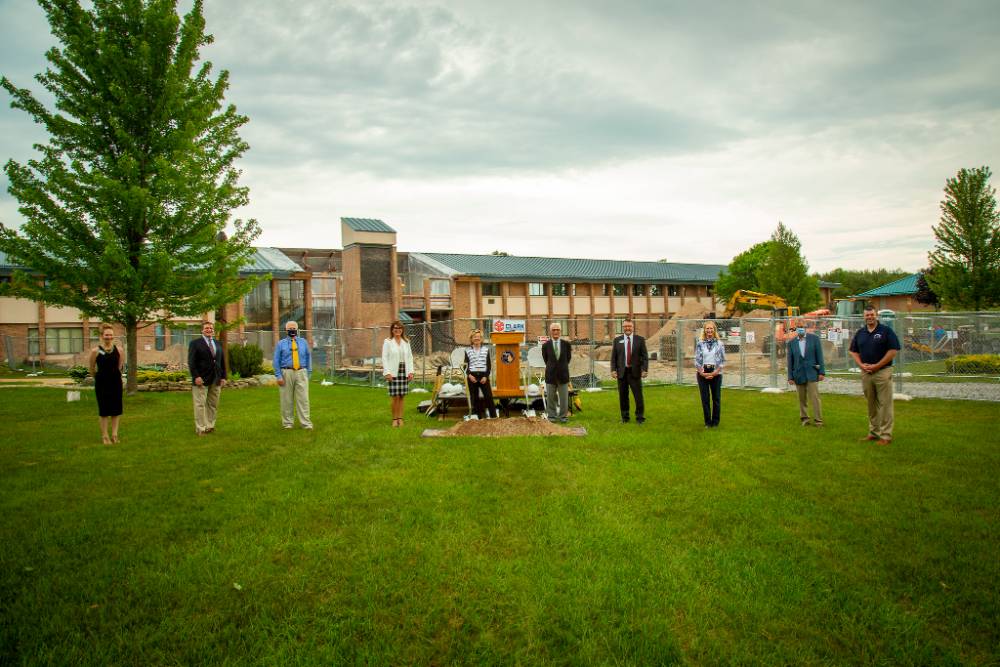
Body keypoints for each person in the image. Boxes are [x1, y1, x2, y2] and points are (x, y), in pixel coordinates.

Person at [849, 306, 901, 445]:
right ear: (864, 317)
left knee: (885, 404)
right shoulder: (860, 333)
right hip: (866, 373)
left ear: (876, 315)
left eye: (872, 314)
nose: (869, 317)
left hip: (882, 372)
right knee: (871, 404)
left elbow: (893, 350)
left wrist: (877, 365)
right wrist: (861, 365)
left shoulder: (886, 331)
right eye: (867, 315)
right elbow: (853, 351)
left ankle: (886, 435)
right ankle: (874, 432)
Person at [188, 320, 226, 436]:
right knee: (200, 405)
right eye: (206, 328)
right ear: (202, 330)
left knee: (213, 404)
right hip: (201, 379)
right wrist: (196, 376)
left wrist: (223, 376)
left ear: (213, 330)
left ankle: (210, 425)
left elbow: (222, 361)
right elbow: (191, 362)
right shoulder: (195, 343)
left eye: (210, 328)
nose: (209, 330)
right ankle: (201, 428)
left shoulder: (218, 343)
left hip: (216, 379)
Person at [274, 320, 313, 430]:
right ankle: (288, 424)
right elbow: (276, 361)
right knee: (286, 400)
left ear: (297, 330)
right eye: (290, 328)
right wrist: (278, 376)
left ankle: (306, 424)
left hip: (301, 372)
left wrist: (308, 373)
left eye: (294, 328)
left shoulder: (303, 342)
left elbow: (308, 357)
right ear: (286, 330)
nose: (292, 330)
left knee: (303, 399)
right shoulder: (280, 344)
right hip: (286, 373)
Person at [88, 323, 123, 444]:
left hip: (116, 383)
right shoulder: (96, 351)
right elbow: (92, 369)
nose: (109, 337)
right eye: (107, 335)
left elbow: (120, 366)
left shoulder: (119, 350)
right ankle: (105, 436)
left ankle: (114, 434)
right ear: (102, 336)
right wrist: (98, 378)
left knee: (116, 410)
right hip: (102, 384)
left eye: (111, 335)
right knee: (104, 410)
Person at [787, 322, 826, 426]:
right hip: (798, 374)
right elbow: (790, 361)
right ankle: (805, 419)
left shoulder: (814, 339)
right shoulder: (791, 343)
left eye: (802, 327)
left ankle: (818, 421)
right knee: (801, 399)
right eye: (798, 327)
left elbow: (820, 356)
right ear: (796, 329)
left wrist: (821, 371)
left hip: (812, 373)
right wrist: (790, 376)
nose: (800, 329)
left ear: (806, 328)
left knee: (815, 398)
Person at [610, 318, 648, 424]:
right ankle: (625, 418)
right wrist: (613, 370)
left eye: (629, 326)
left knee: (638, 396)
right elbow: (614, 357)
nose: (627, 328)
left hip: (635, 372)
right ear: (623, 328)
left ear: (633, 327)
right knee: (623, 396)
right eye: (625, 326)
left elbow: (645, 356)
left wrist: (644, 369)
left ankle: (640, 418)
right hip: (622, 373)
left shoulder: (640, 340)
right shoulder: (617, 340)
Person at [381, 320, 414, 427]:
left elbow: (409, 357)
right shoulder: (388, 341)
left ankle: (400, 418)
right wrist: (387, 372)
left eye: (399, 328)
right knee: (395, 396)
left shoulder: (406, 342)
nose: (397, 330)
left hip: (404, 370)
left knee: (402, 396)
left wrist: (410, 372)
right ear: (392, 330)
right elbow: (384, 357)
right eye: (395, 328)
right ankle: (394, 419)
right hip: (393, 372)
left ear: (402, 330)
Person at [694, 320, 726, 428]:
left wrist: (715, 372)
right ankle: (707, 422)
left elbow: (722, 360)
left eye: (711, 328)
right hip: (702, 374)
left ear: (714, 330)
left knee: (716, 399)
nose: (709, 330)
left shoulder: (720, 344)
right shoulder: (700, 343)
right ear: (704, 330)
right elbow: (697, 360)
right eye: (707, 328)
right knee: (705, 399)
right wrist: (702, 373)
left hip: (716, 374)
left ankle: (715, 422)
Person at [541, 322, 572, 423]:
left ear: (560, 331)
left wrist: (561, 367)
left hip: (563, 375)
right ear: (550, 332)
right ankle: (552, 417)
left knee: (564, 398)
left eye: (557, 330)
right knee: (550, 397)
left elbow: (568, 359)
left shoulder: (566, 344)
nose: (555, 332)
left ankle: (563, 417)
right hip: (550, 375)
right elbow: (546, 359)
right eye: (553, 330)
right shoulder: (545, 345)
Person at [465, 328, 497, 419]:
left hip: (483, 376)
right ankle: (477, 418)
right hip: (472, 377)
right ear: (471, 339)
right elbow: (465, 366)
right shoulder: (467, 351)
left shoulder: (486, 350)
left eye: (478, 337)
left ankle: (493, 417)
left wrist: (486, 376)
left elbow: (489, 365)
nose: (476, 339)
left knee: (488, 396)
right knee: (474, 398)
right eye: (474, 337)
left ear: (481, 339)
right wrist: (469, 375)